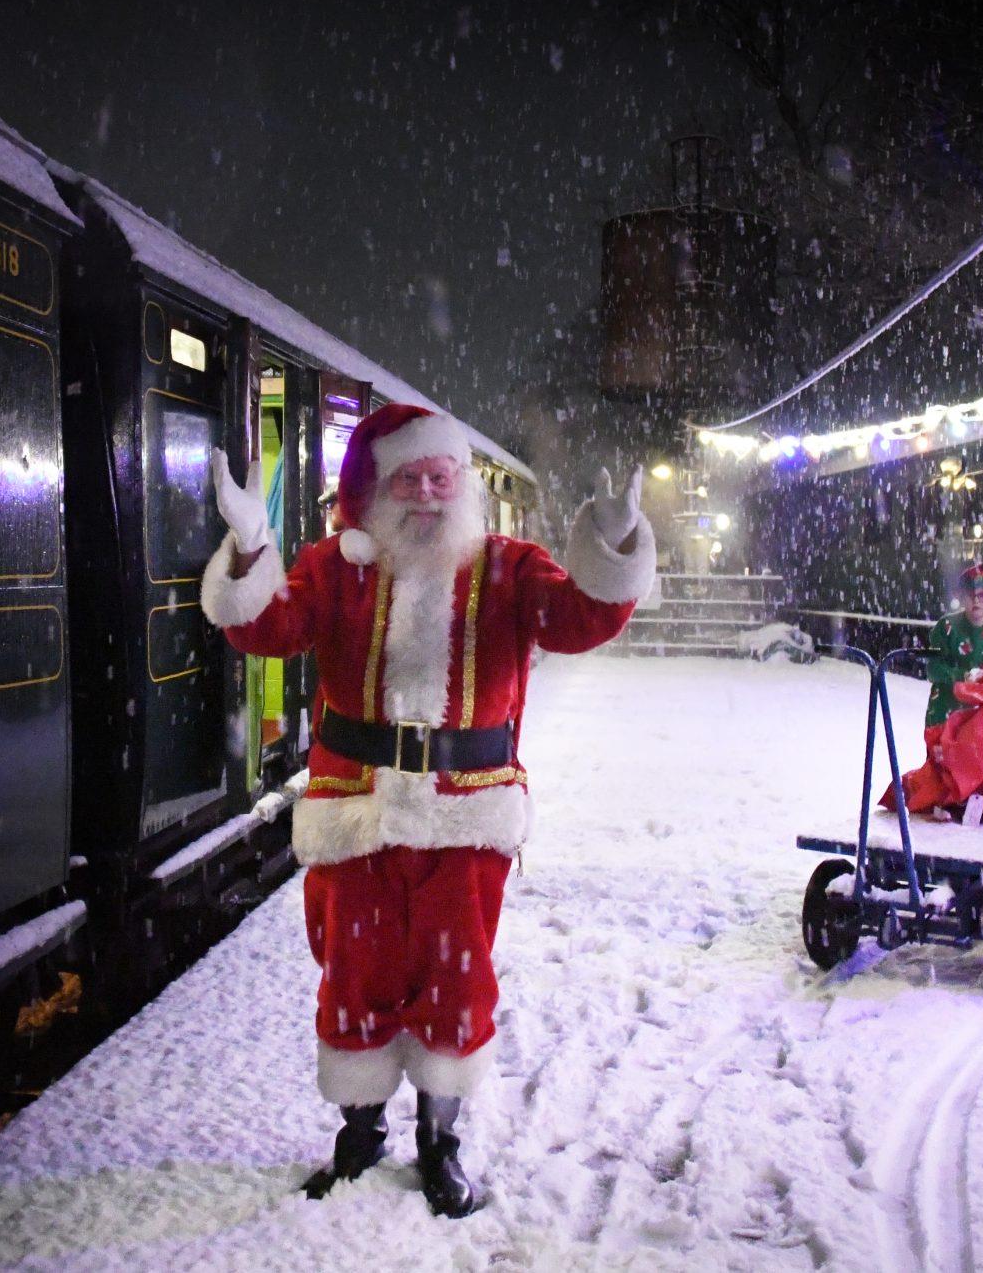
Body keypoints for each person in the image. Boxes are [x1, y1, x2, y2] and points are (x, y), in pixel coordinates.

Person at [200, 404, 655, 1218]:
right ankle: (361, 1128)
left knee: (454, 977)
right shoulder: (336, 569)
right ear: (377, 489)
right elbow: (265, 627)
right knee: (354, 974)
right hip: (357, 812)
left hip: (466, 816)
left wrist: (613, 544)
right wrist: (249, 548)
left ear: (464, 484)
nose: (427, 493)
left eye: (441, 477)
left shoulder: (510, 568)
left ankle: (438, 1139)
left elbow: (582, 618)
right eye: (409, 478)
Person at [924, 563, 983, 727]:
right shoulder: (946, 627)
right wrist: (963, 677)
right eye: (970, 594)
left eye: (982, 594)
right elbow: (933, 669)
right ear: (962, 597)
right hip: (947, 718)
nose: (976, 600)